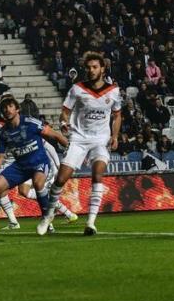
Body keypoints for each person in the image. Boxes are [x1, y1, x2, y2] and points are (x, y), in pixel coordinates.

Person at [37, 52, 121, 236]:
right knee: (60, 179)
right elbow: (65, 112)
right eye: (88, 67)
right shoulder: (77, 89)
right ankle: (48, 215)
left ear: (102, 68)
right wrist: (64, 123)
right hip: (79, 139)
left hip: (100, 140)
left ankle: (91, 222)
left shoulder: (113, 91)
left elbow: (117, 115)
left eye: (95, 67)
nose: (91, 70)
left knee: (97, 174)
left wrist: (115, 135)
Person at [0, 97, 68, 235]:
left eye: (10, 106)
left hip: (39, 162)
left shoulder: (31, 123)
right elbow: (0, 157)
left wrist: (69, 150)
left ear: (17, 109)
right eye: (4, 108)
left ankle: (47, 222)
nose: (7, 109)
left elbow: (55, 135)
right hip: (20, 166)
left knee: (38, 184)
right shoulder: (3, 132)